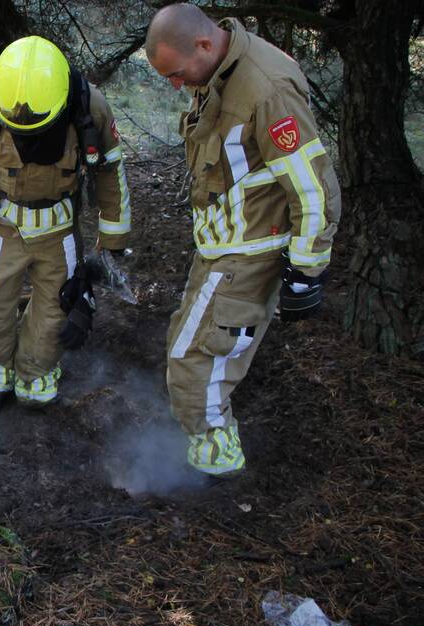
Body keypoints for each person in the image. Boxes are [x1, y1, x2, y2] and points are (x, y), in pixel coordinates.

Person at [145, 4, 340, 477]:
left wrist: (305, 270)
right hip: (221, 248)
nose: (176, 85)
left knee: (193, 365)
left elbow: (313, 186)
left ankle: (218, 475)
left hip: (249, 253)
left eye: (176, 73)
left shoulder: (265, 88)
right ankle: (212, 457)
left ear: (205, 45)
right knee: (184, 347)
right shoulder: (218, 71)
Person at [0, 36, 132, 416]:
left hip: (60, 228)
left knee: (56, 310)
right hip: (1, 225)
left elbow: (111, 171)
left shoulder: (89, 106)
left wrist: (113, 237)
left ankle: (35, 377)